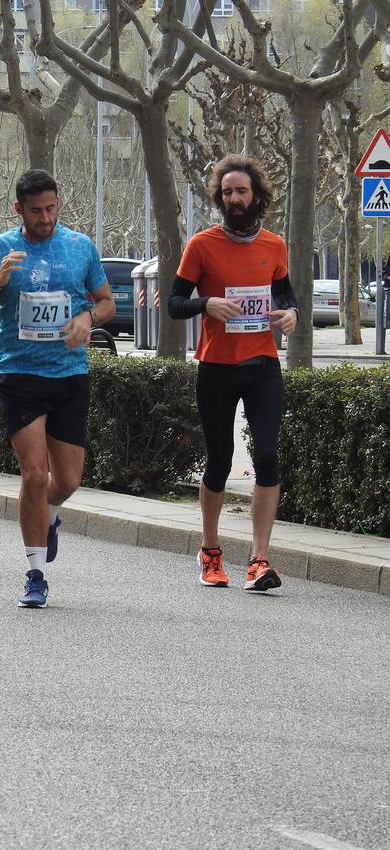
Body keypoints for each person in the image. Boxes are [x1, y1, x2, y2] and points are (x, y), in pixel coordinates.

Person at [0, 169, 115, 609]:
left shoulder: (79, 247)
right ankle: (35, 573)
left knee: (65, 480)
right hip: (19, 374)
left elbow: (106, 301)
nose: (45, 217)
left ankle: (45, 515)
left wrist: (88, 319)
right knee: (33, 473)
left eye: (50, 208)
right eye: (35, 211)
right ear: (19, 210)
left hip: (69, 374)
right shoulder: (0, 250)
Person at [169, 154, 298, 593]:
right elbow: (174, 302)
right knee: (220, 460)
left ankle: (260, 560)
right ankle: (210, 552)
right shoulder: (202, 245)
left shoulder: (274, 246)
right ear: (219, 198)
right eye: (227, 192)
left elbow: (285, 293)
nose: (234, 198)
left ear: (257, 195)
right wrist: (207, 304)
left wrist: (292, 315)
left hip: (262, 365)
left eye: (241, 191)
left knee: (266, 454)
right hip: (217, 366)